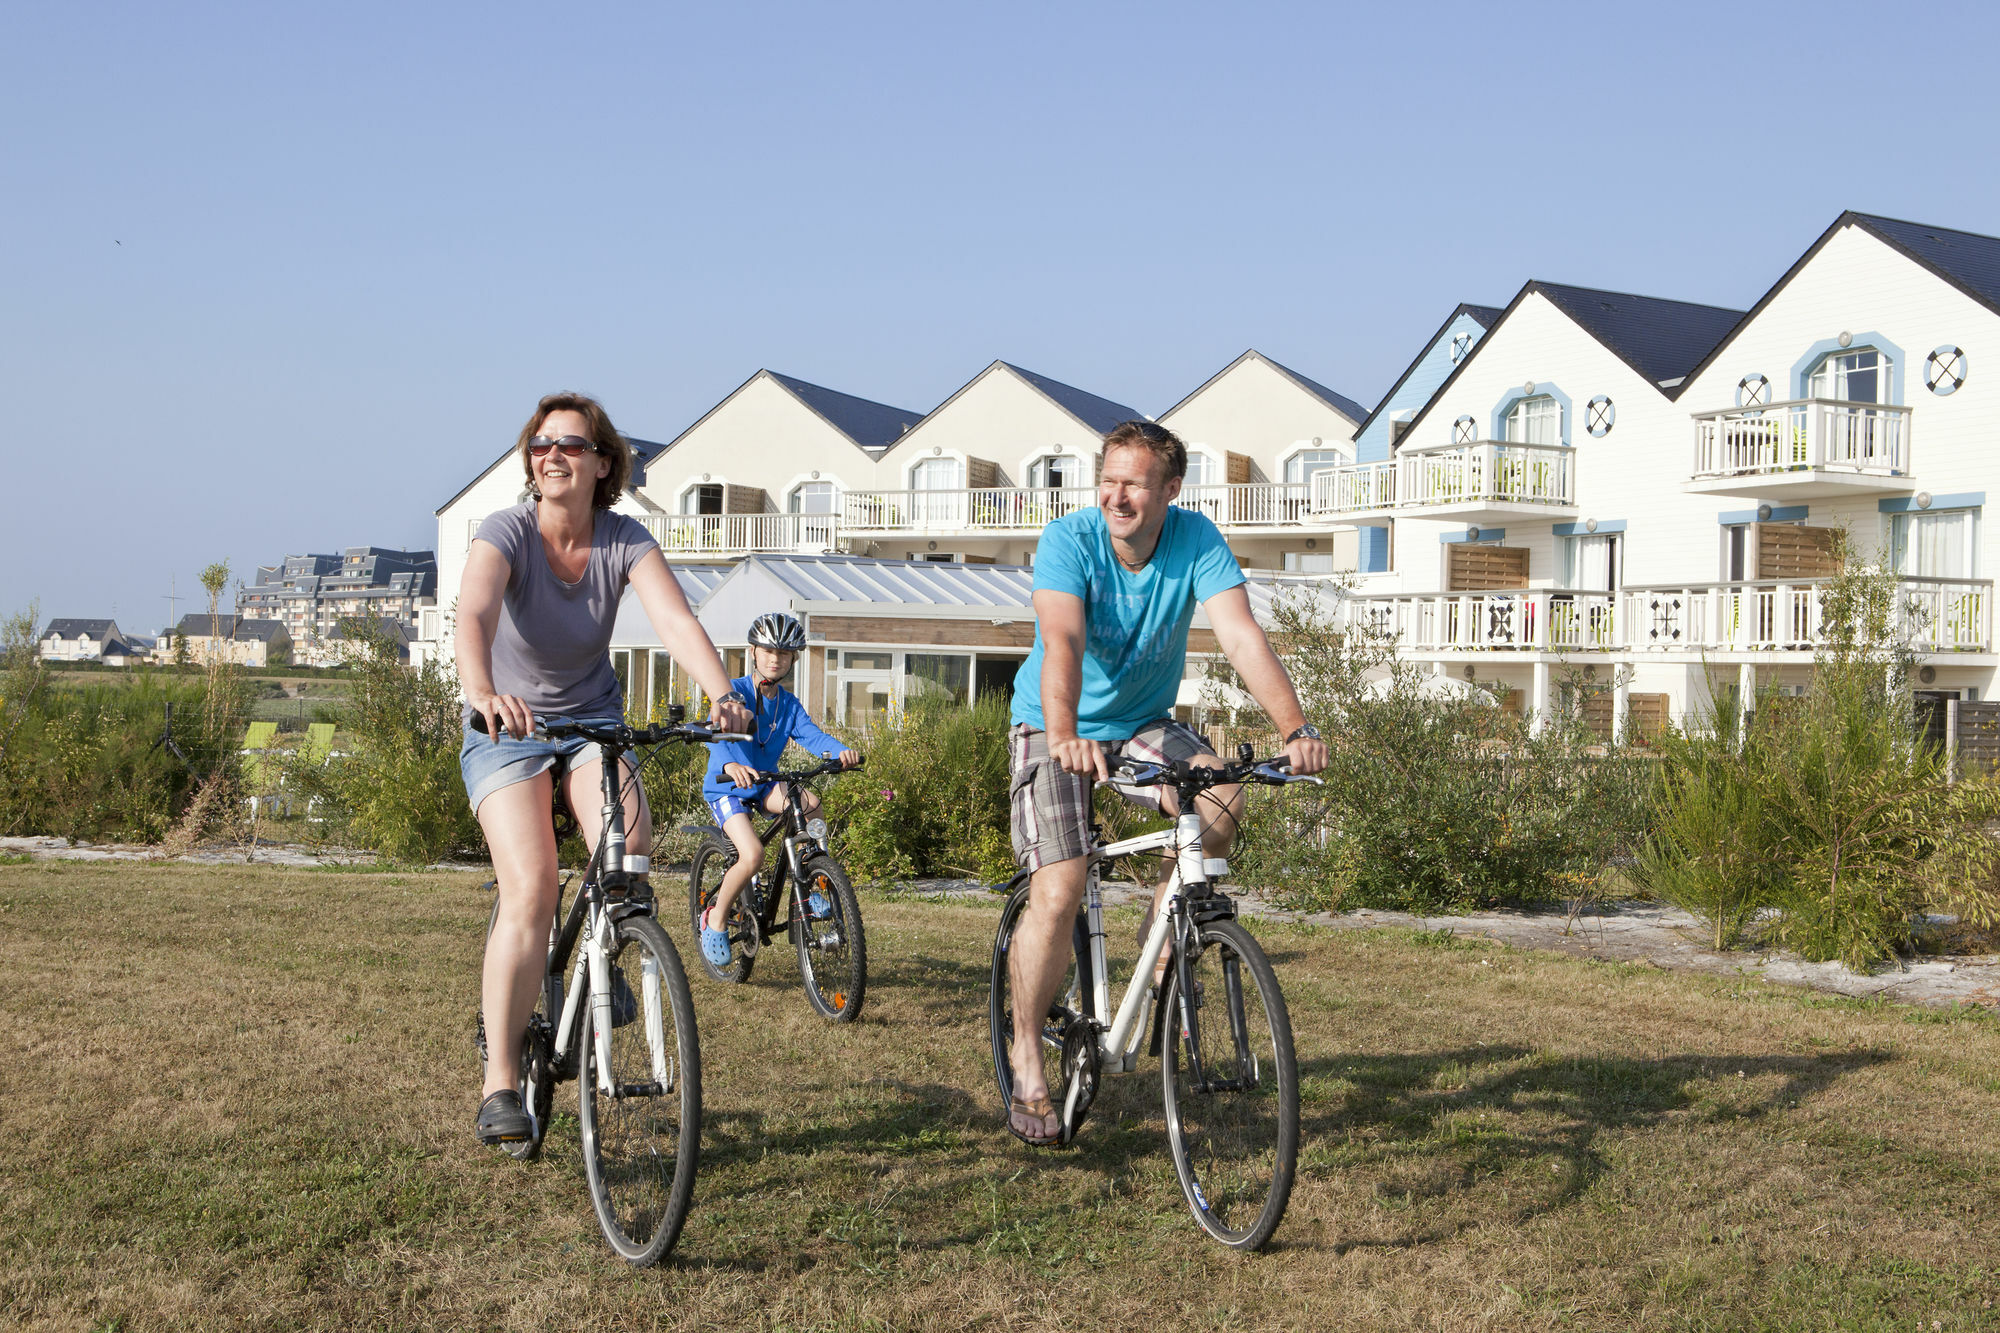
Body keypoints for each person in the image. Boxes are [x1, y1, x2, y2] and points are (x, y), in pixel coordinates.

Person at [1002, 419, 1330, 1145]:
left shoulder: (1196, 539)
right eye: (1109, 480)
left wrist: (1295, 727)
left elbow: (1241, 634)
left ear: (1170, 491)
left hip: (1142, 718)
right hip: (1051, 722)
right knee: (1060, 883)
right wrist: (1063, 733)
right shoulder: (1071, 540)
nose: (1117, 496)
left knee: (1222, 793)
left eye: (1135, 484)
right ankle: (1026, 1049)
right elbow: (1062, 640)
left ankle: (1164, 941)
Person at [457, 391, 750, 1147]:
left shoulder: (623, 539)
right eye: (540, 444)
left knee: (629, 852)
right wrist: (482, 691)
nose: (551, 454)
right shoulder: (507, 532)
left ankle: (603, 948)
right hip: (508, 727)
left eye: (570, 445)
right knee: (532, 882)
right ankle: (498, 1083)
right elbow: (475, 614)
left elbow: (676, 620)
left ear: (603, 463)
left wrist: (722, 693)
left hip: (591, 724)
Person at [697, 611, 859, 967]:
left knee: (810, 804)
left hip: (763, 784)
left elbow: (812, 736)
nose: (775, 659)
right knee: (752, 854)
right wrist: (731, 764)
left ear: (793, 659)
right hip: (727, 787)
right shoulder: (733, 692)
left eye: (783, 654)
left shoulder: (788, 705)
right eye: (768, 651)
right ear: (753, 652)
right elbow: (714, 730)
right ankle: (716, 920)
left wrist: (839, 752)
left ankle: (814, 881)